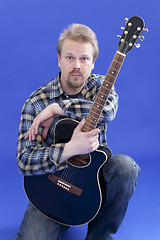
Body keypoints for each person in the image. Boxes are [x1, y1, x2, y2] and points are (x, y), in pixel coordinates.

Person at [16, 23, 140, 240]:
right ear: (59, 60)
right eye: (70, 57)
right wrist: (69, 149)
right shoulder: (37, 102)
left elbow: (108, 111)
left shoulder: (102, 86)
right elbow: (24, 160)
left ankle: (99, 236)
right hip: (50, 187)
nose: (77, 65)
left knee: (126, 168)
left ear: (93, 63)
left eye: (84, 59)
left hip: (91, 177)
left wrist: (59, 108)